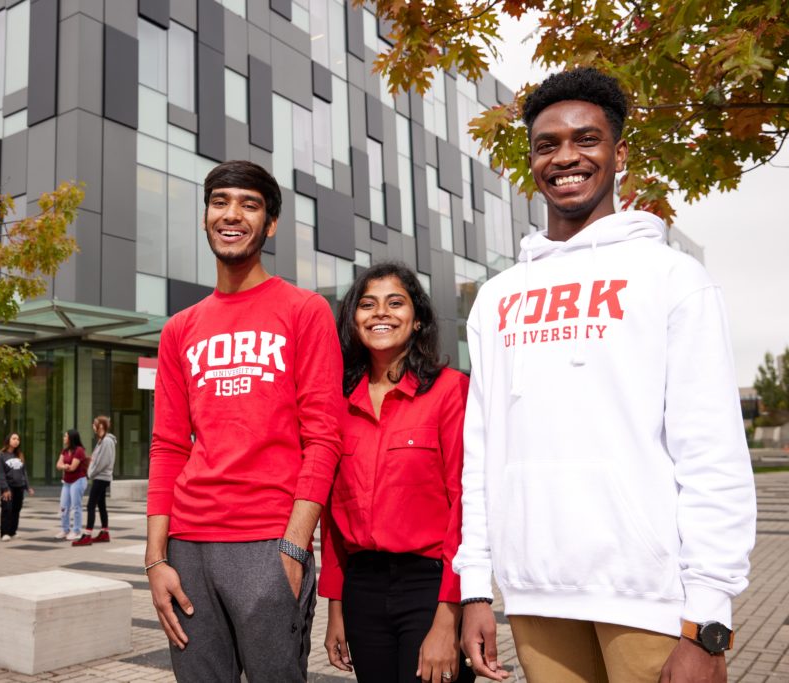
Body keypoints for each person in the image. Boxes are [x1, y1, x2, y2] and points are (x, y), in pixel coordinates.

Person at [452, 67, 756, 683]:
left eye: (586, 139)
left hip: (648, 598)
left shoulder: (672, 277)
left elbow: (712, 453)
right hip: (536, 594)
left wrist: (708, 621)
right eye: (547, 144)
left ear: (619, 153)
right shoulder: (498, 296)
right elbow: (481, 452)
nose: (566, 157)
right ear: (532, 161)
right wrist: (475, 587)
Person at [146, 160, 342, 682]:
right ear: (206, 215)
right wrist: (155, 560)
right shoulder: (179, 329)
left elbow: (324, 437)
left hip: (268, 543)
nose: (232, 215)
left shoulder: (305, 310)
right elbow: (168, 446)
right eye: (220, 202)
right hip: (188, 546)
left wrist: (294, 549)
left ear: (270, 224)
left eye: (249, 205)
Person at [320, 262, 474, 683]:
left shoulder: (449, 391)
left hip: (429, 584)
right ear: (353, 320)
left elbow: (464, 504)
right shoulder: (337, 402)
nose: (380, 313)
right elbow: (331, 513)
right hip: (362, 588)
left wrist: (448, 617)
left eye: (395, 303)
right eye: (367, 304)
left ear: (418, 318)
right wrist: (335, 607)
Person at [73, 415, 116, 546]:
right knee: (101, 504)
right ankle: (104, 532)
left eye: (95, 423)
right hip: (100, 476)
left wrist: (91, 473)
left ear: (101, 426)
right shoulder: (102, 441)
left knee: (91, 505)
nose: (93, 426)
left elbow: (103, 462)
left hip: (101, 477)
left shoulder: (107, 441)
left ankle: (87, 534)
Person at [0, 432, 34, 542]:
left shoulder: (19, 455)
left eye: (18, 439)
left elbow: (24, 472)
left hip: (19, 486)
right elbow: (0, 473)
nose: (16, 440)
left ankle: (13, 531)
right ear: (8, 440)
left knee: (16, 509)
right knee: (7, 508)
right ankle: (5, 533)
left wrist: (27, 487)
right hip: (8, 486)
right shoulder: (1, 455)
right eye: (14, 438)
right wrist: (5, 488)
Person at [55, 429, 88, 541]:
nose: (64, 438)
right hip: (67, 482)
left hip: (78, 481)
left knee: (76, 506)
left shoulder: (79, 450)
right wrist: (65, 466)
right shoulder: (65, 451)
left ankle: (77, 531)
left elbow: (73, 467)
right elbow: (58, 465)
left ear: (71, 438)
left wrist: (63, 466)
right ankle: (65, 529)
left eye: (65, 436)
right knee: (64, 506)